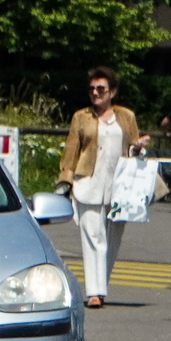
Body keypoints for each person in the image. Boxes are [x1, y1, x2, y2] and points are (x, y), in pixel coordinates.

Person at [58, 67, 146, 309]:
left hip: (119, 186)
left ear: (113, 92)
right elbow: (71, 149)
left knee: (112, 239)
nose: (95, 93)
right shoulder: (81, 117)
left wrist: (139, 148)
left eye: (101, 89)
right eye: (92, 89)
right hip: (87, 182)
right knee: (93, 238)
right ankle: (94, 292)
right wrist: (65, 180)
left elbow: (133, 148)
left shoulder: (126, 116)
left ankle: (101, 286)